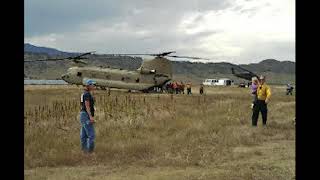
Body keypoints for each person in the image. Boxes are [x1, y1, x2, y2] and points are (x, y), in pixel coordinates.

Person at [80, 79, 96, 153]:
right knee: (91, 135)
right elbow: (87, 106)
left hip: (83, 115)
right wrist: (90, 116)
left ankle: (84, 151)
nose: (94, 86)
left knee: (83, 135)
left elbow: (82, 105)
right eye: (92, 84)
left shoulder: (85, 93)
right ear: (88, 85)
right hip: (86, 115)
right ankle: (90, 152)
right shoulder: (87, 94)